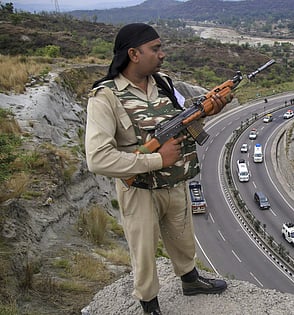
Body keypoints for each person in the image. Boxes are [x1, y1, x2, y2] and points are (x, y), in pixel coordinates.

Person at [85, 23, 232, 315]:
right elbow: (97, 158)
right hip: (138, 190)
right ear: (133, 54)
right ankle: (149, 304)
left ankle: (190, 280)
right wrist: (157, 159)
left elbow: (183, 127)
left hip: (174, 182)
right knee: (144, 251)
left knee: (182, 235)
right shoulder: (106, 97)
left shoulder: (163, 83)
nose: (162, 54)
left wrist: (209, 110)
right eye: (155, 49)